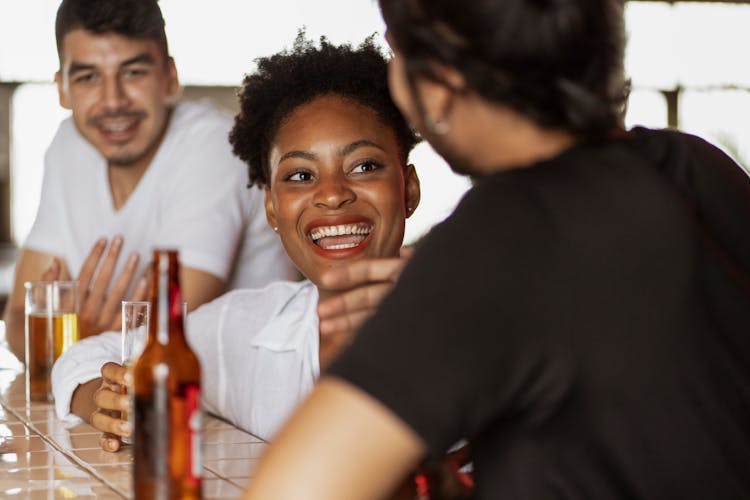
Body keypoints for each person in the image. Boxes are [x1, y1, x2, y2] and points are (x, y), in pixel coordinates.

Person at [243, 0, 750, 499]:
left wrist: (443, 293)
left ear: (438, 86)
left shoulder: (496, 239)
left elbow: (291, 488)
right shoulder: (699, 166)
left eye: (397, 55)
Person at [51, 35, 421, 450]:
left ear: (407, 189)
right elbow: (82, 358)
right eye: (300, 175)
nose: (332, 194)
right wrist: (107, 402)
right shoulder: (250, 327)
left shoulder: (467, 327)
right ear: (271, 209)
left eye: (364, 166)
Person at [2, 0, 294, 360]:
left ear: (169, 76)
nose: (113, 101)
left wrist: (75, 337)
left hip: (236, 401)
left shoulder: (214, 147)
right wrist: (83, 338)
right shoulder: (68, 146)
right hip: (121, 398)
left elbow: (159, 340)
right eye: (88, 77)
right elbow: (17, 321)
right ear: (62, 88)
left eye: (133, 72)